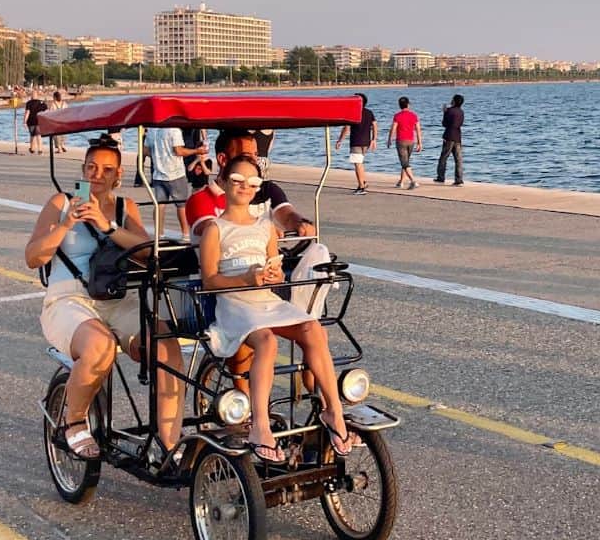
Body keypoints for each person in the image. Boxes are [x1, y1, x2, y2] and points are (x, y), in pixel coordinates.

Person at [25, 137, 185, 458]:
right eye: (91, 167)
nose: (97, 175)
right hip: (69, 299)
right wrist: (66, 224)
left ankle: (171, 444)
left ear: (118, 175)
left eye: (106, 170)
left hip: (117, 299)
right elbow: (33, 257)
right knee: (100, 346)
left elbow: (145, 254)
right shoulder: (61, 202)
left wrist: (107, 225)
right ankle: (74, 422)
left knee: (165, 345)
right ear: (83, 169)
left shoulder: (125, 207)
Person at [199, 155, 356, 463]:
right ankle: (260, 424)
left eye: (252, 182)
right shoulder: (215, 229)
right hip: (234, 303)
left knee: (313, 329)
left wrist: (274, 276)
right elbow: (209, 280)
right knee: (266, 341)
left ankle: (334, 410)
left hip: (265, 299)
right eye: (237, 181)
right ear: (223, 182)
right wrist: (245, 279)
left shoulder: (265, 226)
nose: (245, 187)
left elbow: (278, 271)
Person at [185, 128, 315, 245]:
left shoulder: (266, 190)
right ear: (223, 160)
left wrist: (300, 224)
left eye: (256, 155)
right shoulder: (200, 199)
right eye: (247, 157)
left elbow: (287, 215)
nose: (255, 162)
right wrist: (260, 229)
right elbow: (211, 228)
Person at [146, 127, 205, 241]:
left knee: (160, 205)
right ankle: (185, 234)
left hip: (158, 173)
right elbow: (179, 151)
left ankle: (159, 234)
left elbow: (145, 151)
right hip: (175, 173)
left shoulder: (152, 129)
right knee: (181, 205)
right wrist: (196, 151)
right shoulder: (174, 130)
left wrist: (159, 155)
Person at [335, 93, 377, 195]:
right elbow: (375, 125)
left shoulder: (353, 112)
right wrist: (374, 139)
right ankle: (363, 182)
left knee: (357, 164)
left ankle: (361, 187)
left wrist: (340, 140)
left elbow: (346, 128)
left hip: (356, 141)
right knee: (360, 163)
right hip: (366, 142)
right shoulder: (369, 112)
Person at [387, 96, 422, 189]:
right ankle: (401, 182)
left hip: (401, 141)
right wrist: (419, 142)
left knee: (404, 163)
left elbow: (393, 128)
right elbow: (418, 129)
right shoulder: (413, 115)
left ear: (399, 105)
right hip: (411, 141)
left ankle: (413, 181)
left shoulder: (397, 116)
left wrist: (390, 139)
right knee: (405, 162)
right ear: (408, 104)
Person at [435, 94, 465, 185]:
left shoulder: (449, 110)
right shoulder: (461, 112)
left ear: (454, 101)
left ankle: (441, 177)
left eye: (452, 99)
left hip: (448, 136)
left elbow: (444, 123)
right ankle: (459, 179)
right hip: (457, 136)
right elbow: (460, 123)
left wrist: (444, 112)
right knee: (458, 159)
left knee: (444, 157)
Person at [24, 90, 48, 155]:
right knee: (39, 136)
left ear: (31, 95)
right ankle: (40, 150)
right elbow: (46, 112)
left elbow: (27, 113)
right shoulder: (42, 103)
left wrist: (24, 122)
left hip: (31, 121)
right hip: (39, 121)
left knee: (32, 135)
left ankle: (32, 149)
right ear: (37, 95)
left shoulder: (29, 103)